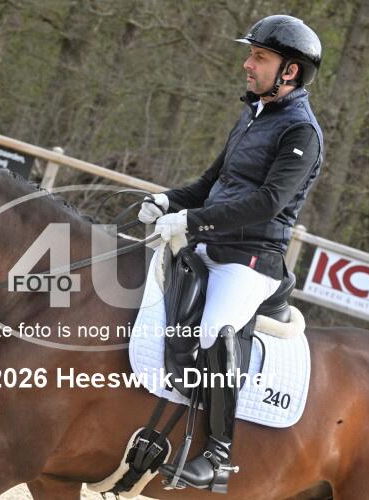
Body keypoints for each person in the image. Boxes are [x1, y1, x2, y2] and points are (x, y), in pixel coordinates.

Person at [138, 15, 324, 494]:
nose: (247, 64)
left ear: (290, 71)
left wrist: (191, 222)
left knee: (213, 331)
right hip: (211, 244)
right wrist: (166, 201)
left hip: (252, 259)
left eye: (259, 57)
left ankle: (218, 455)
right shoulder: (253, 114)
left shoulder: (301, 132)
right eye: (251, 55)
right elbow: (209, 184)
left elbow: (268, 202)